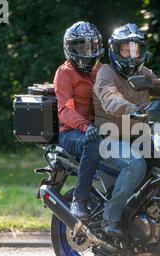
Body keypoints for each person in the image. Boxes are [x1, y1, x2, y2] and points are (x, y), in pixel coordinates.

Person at [93, 23, 160, 237]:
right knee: (135, 165)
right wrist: (134, 109)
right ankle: (110, 218)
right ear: (115, 51)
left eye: (136, 49)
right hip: (109, 138)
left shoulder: (143, 72)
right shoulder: (106, 73)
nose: (131, 55)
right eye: (126, 49)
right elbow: (110, 100)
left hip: (139, 136)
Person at [54, 21, 104, 220]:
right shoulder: (65, 73)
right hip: (71, 132)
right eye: (81, 46)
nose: (87, 51)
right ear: (70, 48)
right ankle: (79, 199)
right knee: (94, 142)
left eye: (91, 46)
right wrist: (86, 126)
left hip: (99, 128)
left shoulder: (101, 70)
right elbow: (64, 109)